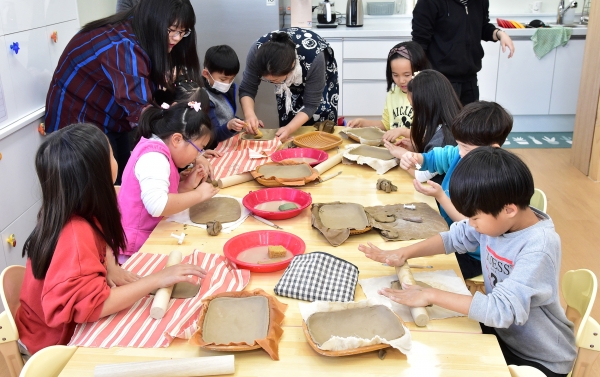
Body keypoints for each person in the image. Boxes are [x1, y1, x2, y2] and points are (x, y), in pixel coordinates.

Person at [359, 147, 577, 376]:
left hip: (538, 358)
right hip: (503, 333)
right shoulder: (498, 219)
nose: (470, 224)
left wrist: (430, 294)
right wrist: (404, 252)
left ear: (509, 209)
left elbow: (501, 310)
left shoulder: (538, 247)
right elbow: (455, 237)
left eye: (474, 218)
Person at [15, 123, 207, 355]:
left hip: (51, 328)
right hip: (52, 345)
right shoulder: (75, 233)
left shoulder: (73, 206)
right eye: (112, 155)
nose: (117, 160)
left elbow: (100, 233)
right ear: (97, 173)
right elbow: (94, 306)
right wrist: (157, 279)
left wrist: (111, 266)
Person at [45, 0, 202, 184]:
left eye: (183, 32)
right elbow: (143, 114)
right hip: (76, 125)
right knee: (100, 193)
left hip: (111, 117)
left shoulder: (141, 29)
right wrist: (193, 149)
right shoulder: (124, 46)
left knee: (122, 181)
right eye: (172, 30)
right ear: (154, 20)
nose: (176, 38)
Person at [399, 101, 513, 278]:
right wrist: (415, 157)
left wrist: (441, 196)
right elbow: (435, 158)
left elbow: (472, 226)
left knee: (424, 272)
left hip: (475, 256)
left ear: (493, 148)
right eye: (459, 144)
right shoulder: (460, 155)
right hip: (453, 237)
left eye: (465, 148)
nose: (459, 152)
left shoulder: (490, 182)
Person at [118, 90, 219, 262]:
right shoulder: (154, 158)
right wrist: (198, 195)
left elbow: (162, 196)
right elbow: (157, 206)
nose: (197, 156)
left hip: (151, 236)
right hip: (136, 250)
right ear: (177, 140)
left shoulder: (162, 150)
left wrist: (185, 186)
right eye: (198, 148)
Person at [239, 29, 339, 141]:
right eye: (269, 81)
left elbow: (311, 104)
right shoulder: (257, 53)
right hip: (285, 72)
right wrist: (249, 115)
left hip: (316, 72)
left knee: (320, 122)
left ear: (292, 66)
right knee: (288, 120)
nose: (273, 83)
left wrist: (290, 128)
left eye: (276, 80)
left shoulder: (315, 57)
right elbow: (247, 88)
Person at [412, 0, 515, 105]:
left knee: (471, 120)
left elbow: (481, 26)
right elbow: (419, 42)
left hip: (470, 79)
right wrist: (417, 77)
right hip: (440, 80)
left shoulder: (480, 2)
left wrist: (499, 33)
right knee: (444, 121)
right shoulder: (429, 2)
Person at [383, 69, 460, 185]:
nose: (414, 113)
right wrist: (417, 149)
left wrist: (403, 156)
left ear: (427, 106)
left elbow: (422, 176)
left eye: (414, 108)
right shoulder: (444, 125)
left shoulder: (445, 138)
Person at [347, 41, 431, 143]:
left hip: (418, 152)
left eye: (407, 75)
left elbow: (429, 136)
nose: (401, 80)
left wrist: (403, 132)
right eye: (395, 75)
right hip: (395, 148)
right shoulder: (393, 93)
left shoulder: (428, 95)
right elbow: (387, 125)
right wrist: (363, 123)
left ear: (420, 70)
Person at [201, 45, 246, 149]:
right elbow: (213, 135)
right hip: (214, 148)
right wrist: (229, 126)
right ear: (206, 74)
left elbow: (226, 117)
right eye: (223, 79)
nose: (227, 83)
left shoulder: (223, 89)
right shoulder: (204, 97)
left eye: (231, 79)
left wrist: (243, 123)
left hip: (228, 142)